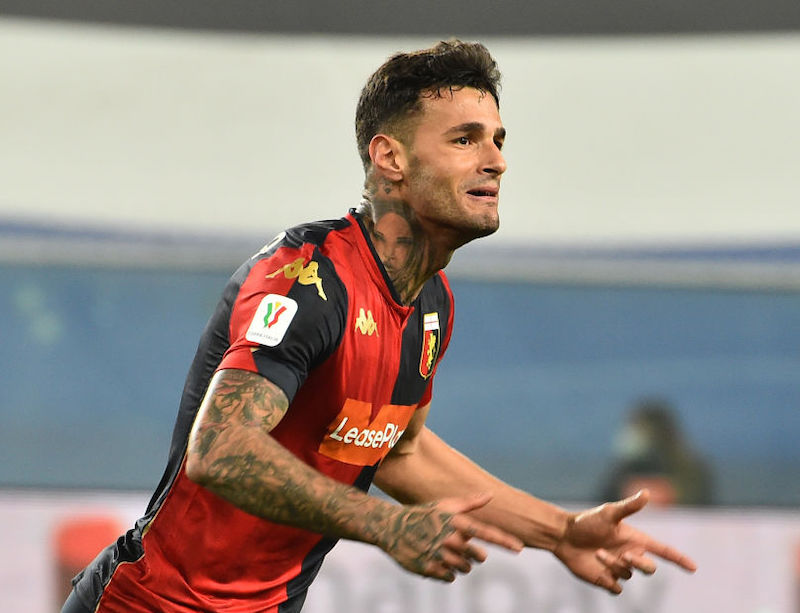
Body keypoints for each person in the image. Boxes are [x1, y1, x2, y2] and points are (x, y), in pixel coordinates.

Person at [61, 39, 696, 613]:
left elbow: (398, 449)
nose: (495, 161)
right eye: (465, 138)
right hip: (147, 604)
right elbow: (220, 449)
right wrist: (384, 525)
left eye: (499, 140)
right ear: (388, 157)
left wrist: (560, 532)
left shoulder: (431, 303)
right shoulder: (305, 278)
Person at [600, 397, 714, 506]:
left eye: (639, 429)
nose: (631, 435)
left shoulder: (690, 468)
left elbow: (701, 505)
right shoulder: (624, 469)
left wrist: (672, 494)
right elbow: (602, 501)